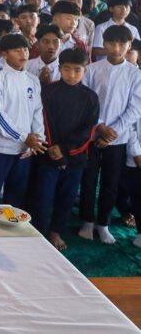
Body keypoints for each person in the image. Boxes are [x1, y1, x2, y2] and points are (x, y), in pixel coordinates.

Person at [32, 48, 100, 251]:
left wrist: (65, 150)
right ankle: (39, 232)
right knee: (43, 196)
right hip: (48, 154)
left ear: (85, 71)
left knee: (66, 196)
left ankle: (56, 231)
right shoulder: (48, 91)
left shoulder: (90, 97)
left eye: (77, 70)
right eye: (67, 69)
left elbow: (89, 131)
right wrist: (53, 149)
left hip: (75, 157)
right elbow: (43, 121)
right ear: (59, 69)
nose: (72, 75)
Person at [80, 25, 141, 244]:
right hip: (92, 135)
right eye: (112, 43)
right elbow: (85, 102)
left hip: (118, 138)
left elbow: (135, 108)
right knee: (88, 180)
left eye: (122, 44)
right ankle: (86, 220)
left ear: (129, 46)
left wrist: (113, 132)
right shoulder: (93, 69)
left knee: (110, 182)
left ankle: (103, 224)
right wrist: (99, 127)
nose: (116, 48)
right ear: (103, 44)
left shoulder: (135, 73)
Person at [0, 34, 45, 207]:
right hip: (1, 148)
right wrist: (24, 136)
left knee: (16, 195)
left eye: (25, 49)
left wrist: (37, 140)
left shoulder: (33, 80)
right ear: (4, 54)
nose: (23, 54)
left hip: (26, 149)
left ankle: (11, 230)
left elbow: (37, 112)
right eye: (16, 50)